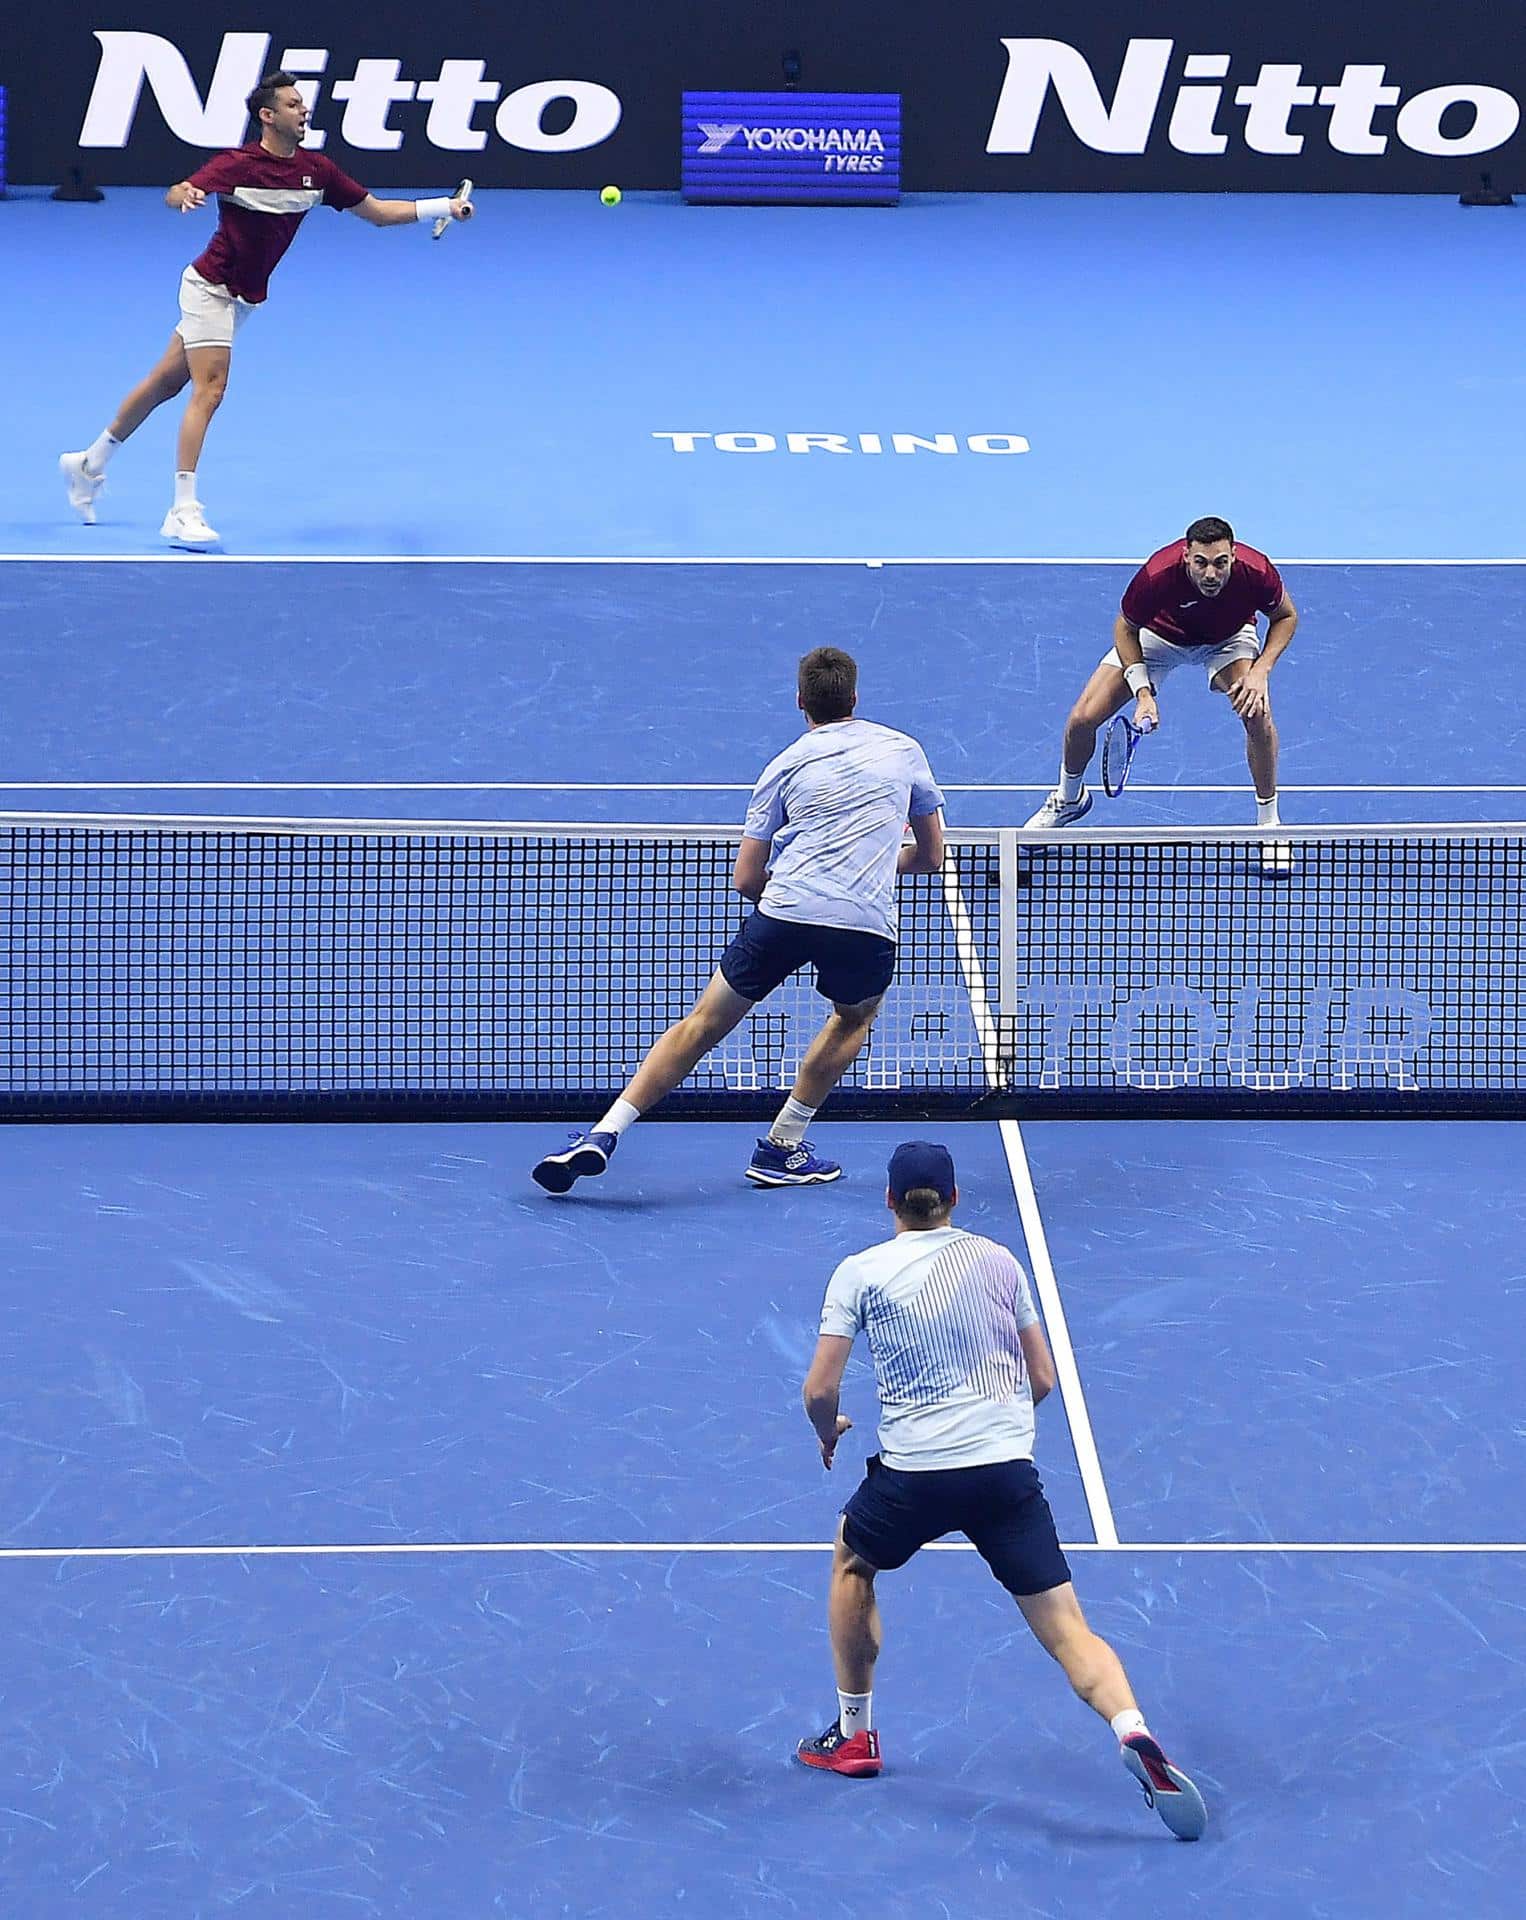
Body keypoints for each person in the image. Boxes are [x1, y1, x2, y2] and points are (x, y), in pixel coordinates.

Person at [795, 1141, 1207, 1841]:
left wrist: (828, 1429)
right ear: (955, 1199)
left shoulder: (858, 1272)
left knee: (852, 1562)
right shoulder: (998, 1261)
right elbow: (1041, 1378)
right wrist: (993, 1435)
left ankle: (855, 1736)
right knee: (1071, 1632)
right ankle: (1131, 1728)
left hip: (913, 1478)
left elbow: (819, 1389)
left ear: (890, 1202)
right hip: (1005, 1475)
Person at [532, 648, 946, 1195]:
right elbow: (930, 856)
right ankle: (782, 1146)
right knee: (852, 1019)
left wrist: (806, 882)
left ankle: (606, 1130)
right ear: (855, 698)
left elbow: (747, 878)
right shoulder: (904, 750)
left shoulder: (782, 766)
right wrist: (866, 858)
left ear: (802, 702)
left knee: (701, 1024)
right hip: (864, 921)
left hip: (786, 909)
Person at [59, 70, 473, 550]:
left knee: (166, 383)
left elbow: (377, 213)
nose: (305, 111)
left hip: (244, 299)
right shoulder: (238, 165)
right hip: (209, 287)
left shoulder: (317, 172)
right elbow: (177, 191)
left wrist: (443, 205)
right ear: (267, 115)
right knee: (210, 388)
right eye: (295, 104)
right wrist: (186, 196)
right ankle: (182, 510)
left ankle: (88, 464)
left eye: (304, 105)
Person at [1025, 515, 1297, 832]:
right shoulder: (1158, 574)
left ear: (1234, 555)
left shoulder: (1256, 570)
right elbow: (1125, 628)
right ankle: (1069, 798)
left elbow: (1286, 616)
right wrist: (1143, 693)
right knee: (1081, 719)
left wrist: (1260, 670)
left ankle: (1269, 824)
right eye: (1201, 563)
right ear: (1186, 556)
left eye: (1221, 563)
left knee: (1257, 714)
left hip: (1228, 639)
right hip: (1159, 637)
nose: (1211, 573)